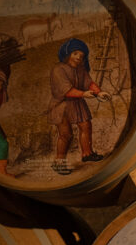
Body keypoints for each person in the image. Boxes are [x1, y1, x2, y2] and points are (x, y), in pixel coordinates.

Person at [48, 38, 111, 175]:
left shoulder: (80, 69)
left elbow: (89, 83)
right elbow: (66, 90)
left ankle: (87, 153)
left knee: (86, 126)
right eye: (75, 53)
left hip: (77, 102)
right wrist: (83, 94)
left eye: (81, 56)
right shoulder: (58, 69)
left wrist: (99, 92)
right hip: (61, 105)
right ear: (67, 53)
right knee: (66, 134)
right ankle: (59, 162)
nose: (78, 57)